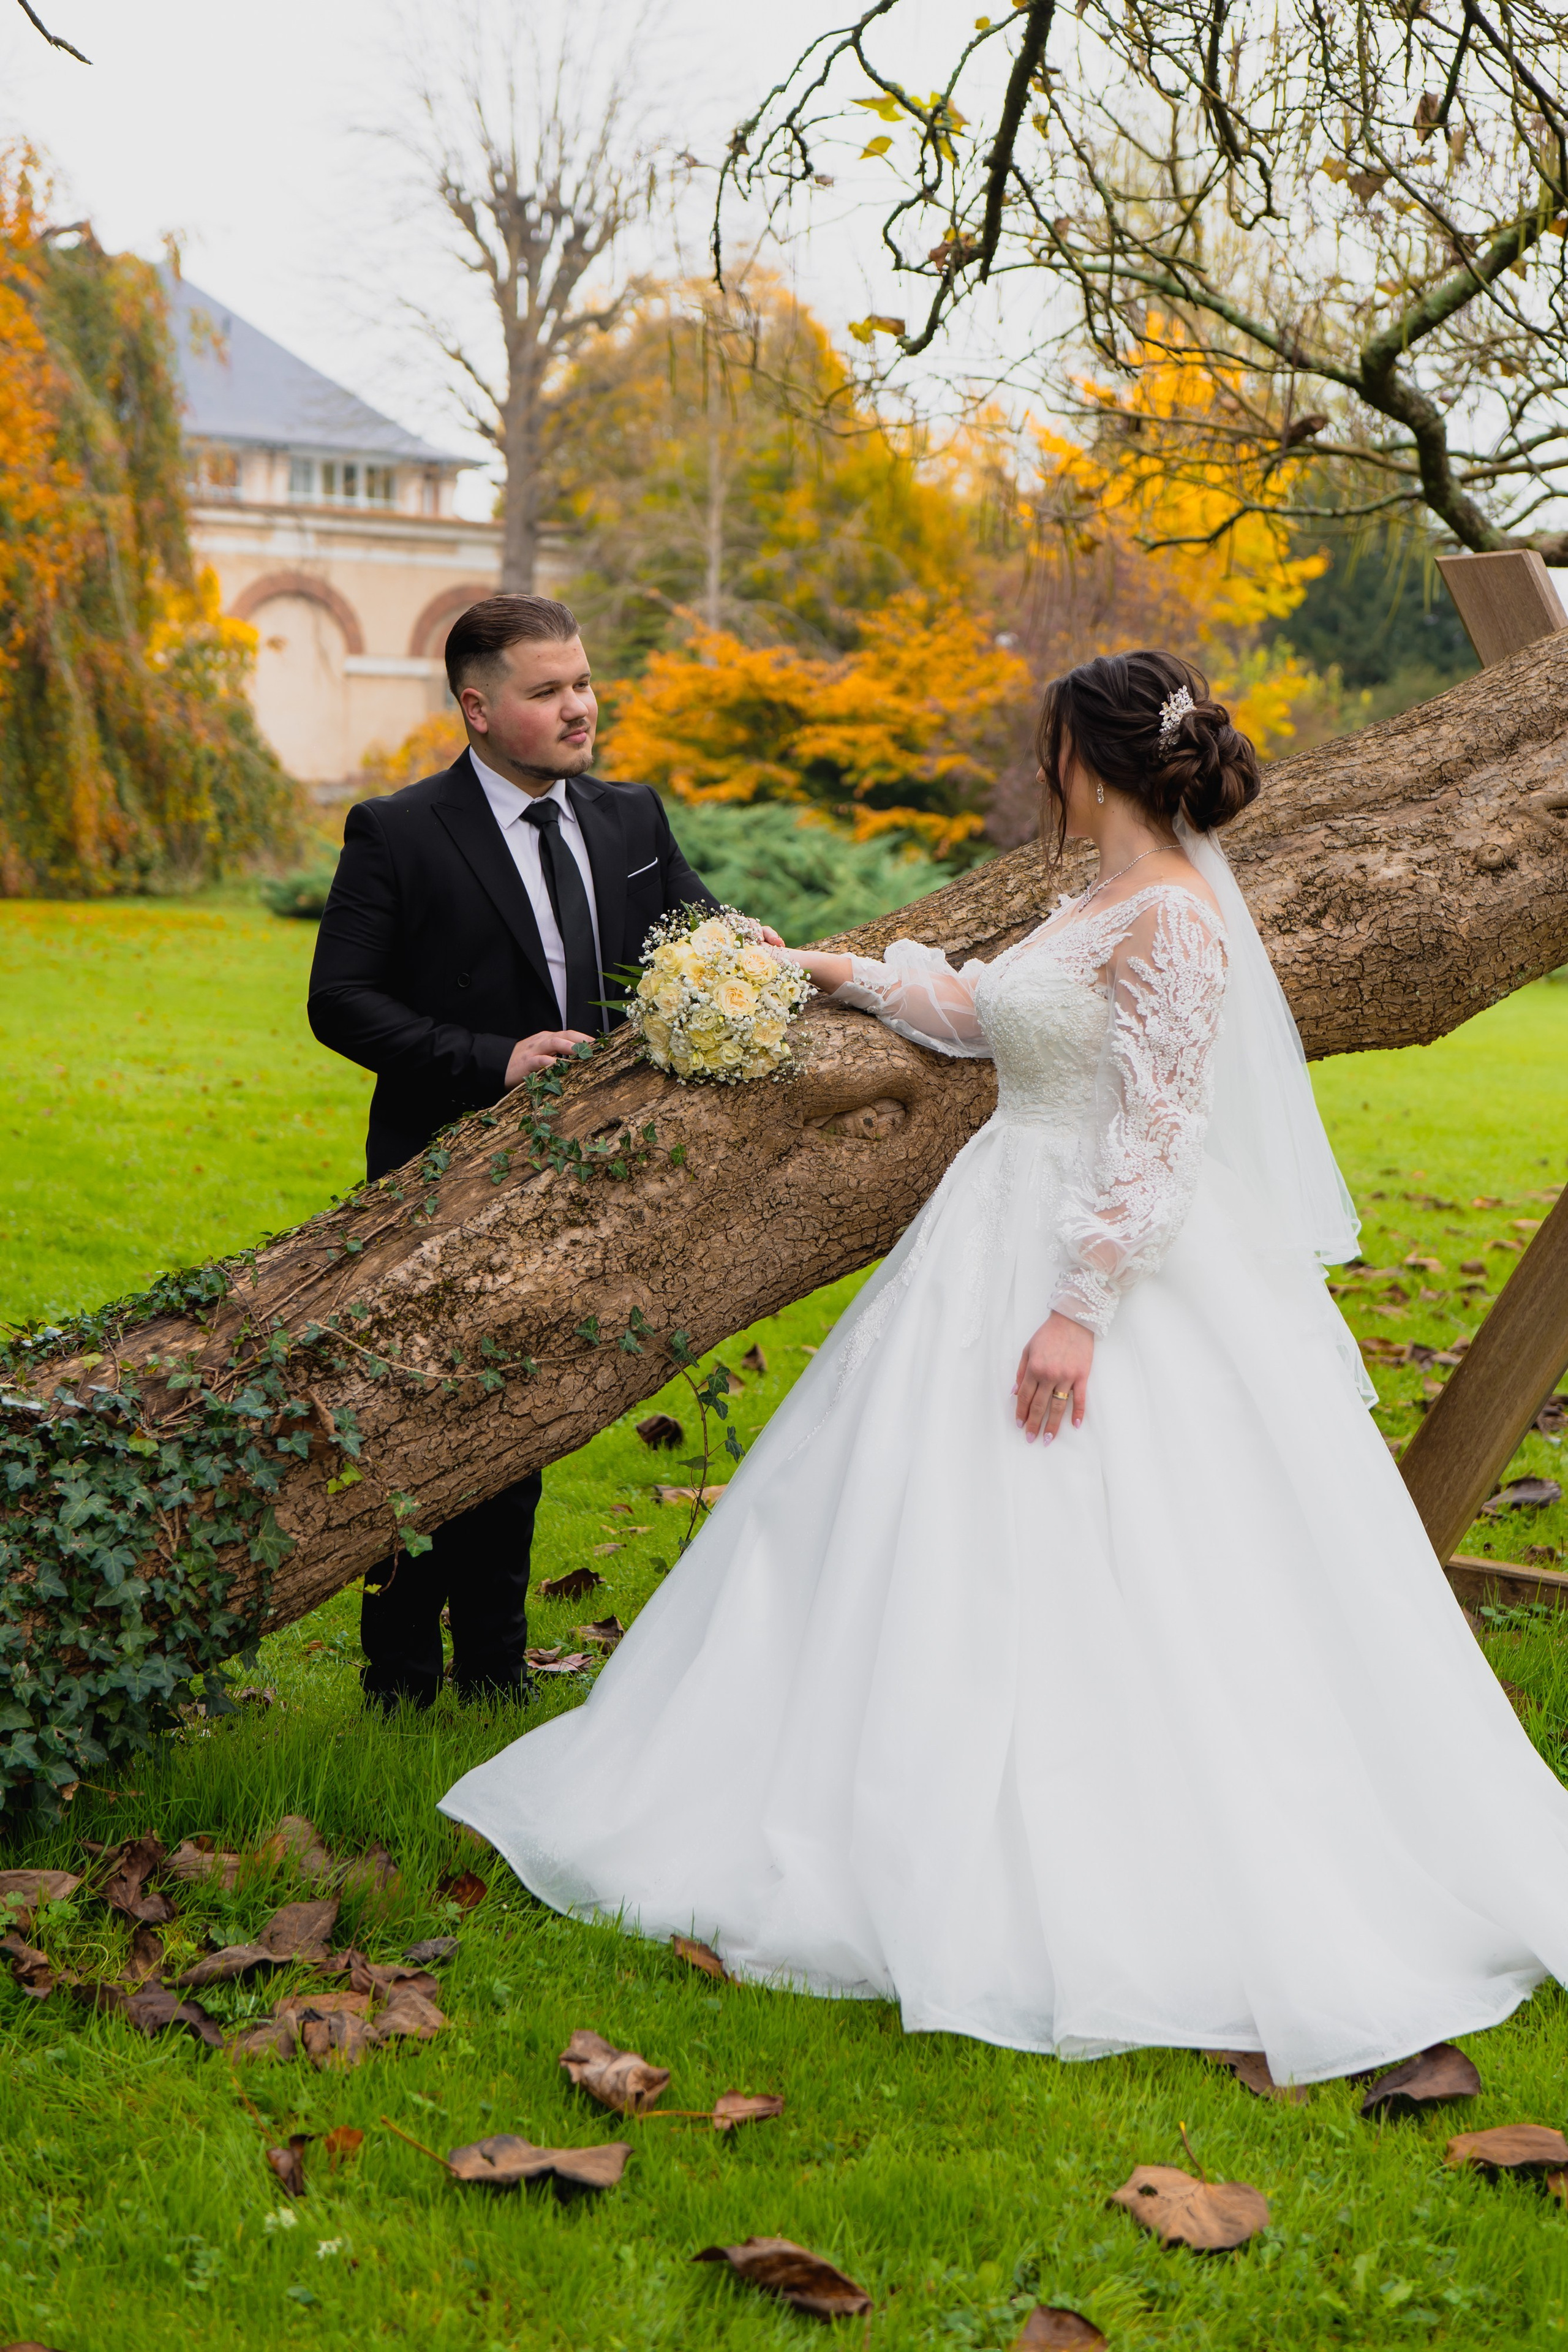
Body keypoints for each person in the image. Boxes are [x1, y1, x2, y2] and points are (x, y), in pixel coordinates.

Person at [439, 649, 1568, 2086]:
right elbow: (984, 1022)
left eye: (1051, 748)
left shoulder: (1170, 920)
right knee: (903, 1521)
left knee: (1118, 1543)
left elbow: (1158, 1130)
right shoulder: (1090, 902)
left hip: (1089, 1262)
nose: (1044, 771)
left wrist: (1079, 1307)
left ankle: (1115, 1850)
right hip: (989, 1222)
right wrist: (822, 971)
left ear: (1086, 761)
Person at [308, 593, 755, 1714]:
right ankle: (401, 1683)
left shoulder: (630, 819)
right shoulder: (398, 831)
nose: (580, 708)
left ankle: (499, 1672)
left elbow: (699, 944)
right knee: (418, 1424)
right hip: (437, 1174)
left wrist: (755, 959)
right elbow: (340, 1004)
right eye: (549, 691)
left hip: (588, 1178)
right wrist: (492, 1058)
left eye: (586, 683)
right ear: (477, 706)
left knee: (523, 1416)